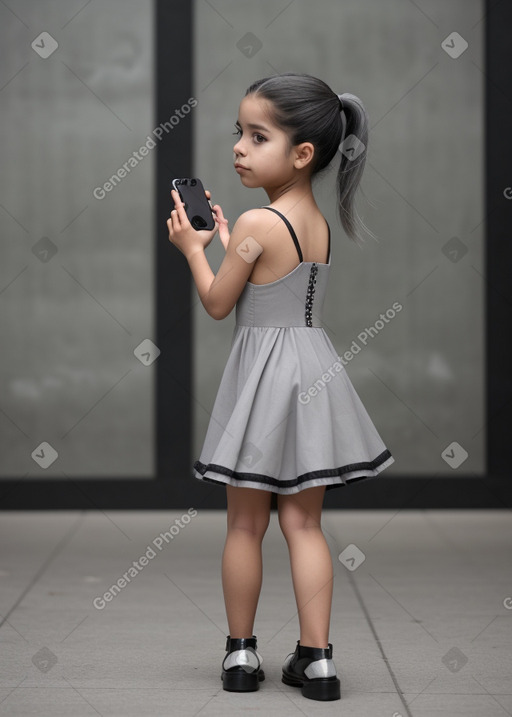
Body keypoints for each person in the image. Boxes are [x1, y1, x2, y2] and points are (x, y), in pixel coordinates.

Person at [167, 72, 395, 702]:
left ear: (302, 154)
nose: (239, 146)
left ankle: (241, 655)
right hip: (314, 370)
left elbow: (218, 304)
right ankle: (318, 660)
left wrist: (193, 247)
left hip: (264, 376)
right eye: (238, 132)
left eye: (256, 135)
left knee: (245, 526)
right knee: (305, 525)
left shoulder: (257, 222)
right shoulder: (314, 220)